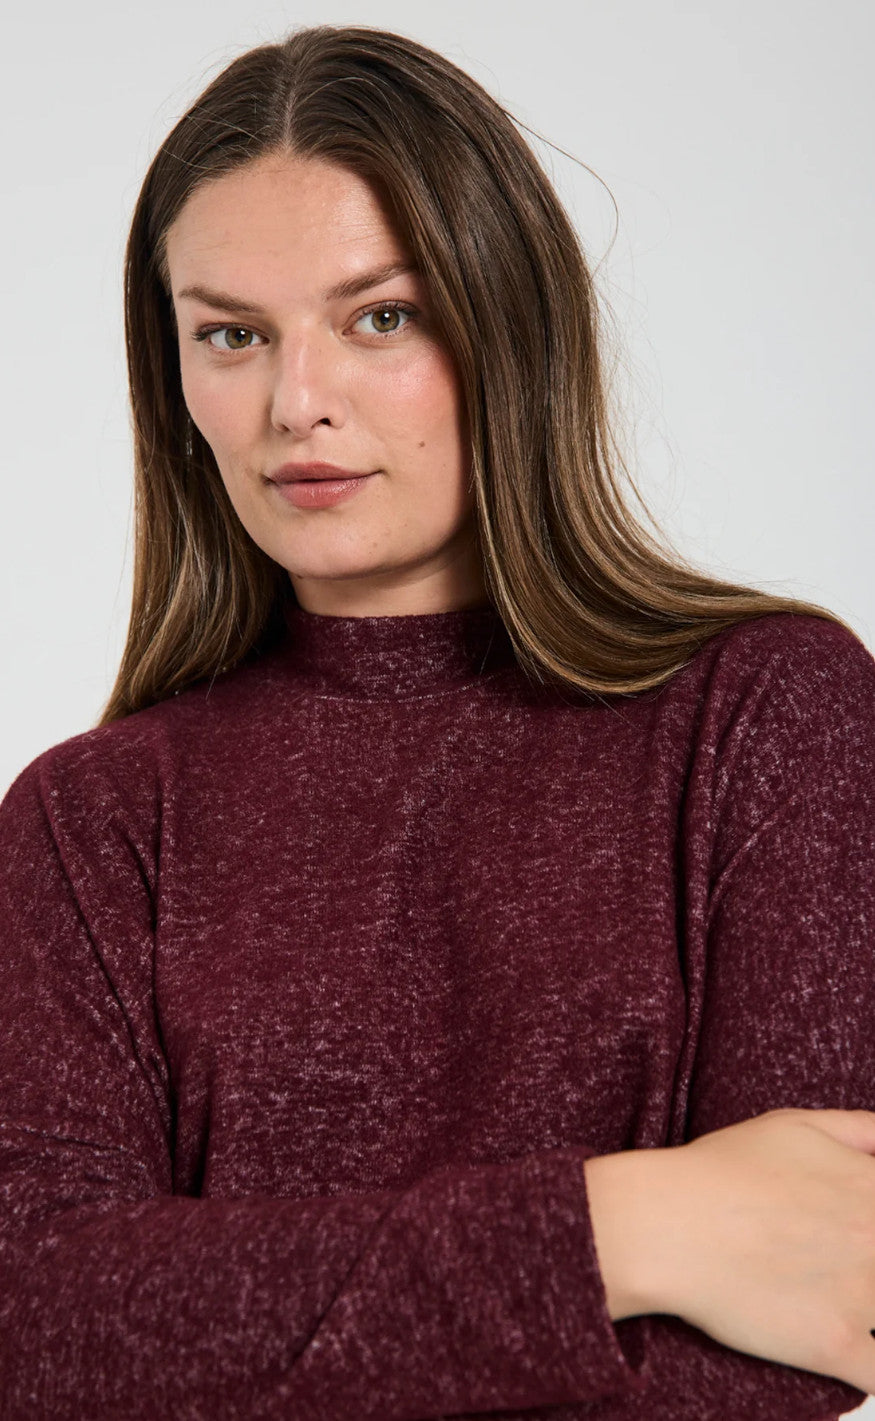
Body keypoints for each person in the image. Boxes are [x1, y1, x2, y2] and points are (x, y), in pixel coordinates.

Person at [1, 21, 873, 1421]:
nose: (297, 403)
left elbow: (825, 1294)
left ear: (507, 325)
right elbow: (37, 1323)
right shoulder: (90, 822)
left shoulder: (766, 714)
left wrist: (219, 1320)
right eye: (232, 334)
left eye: (381, 317)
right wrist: (621, 1227)